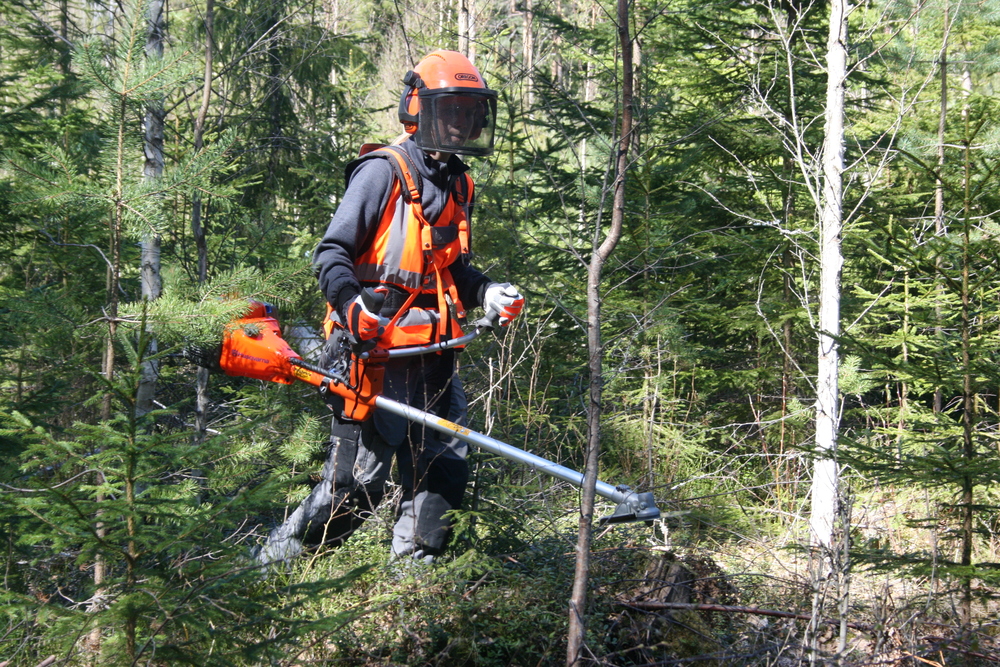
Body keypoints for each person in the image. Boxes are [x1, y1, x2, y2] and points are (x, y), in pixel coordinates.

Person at [257, 50, 524, 566]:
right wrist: (350, 303)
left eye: (470, 111)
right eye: (452, 109)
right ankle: (274, 564)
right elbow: (332, 252)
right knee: (358, 484)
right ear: (417, 106)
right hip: (373, 351)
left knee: (442, 467)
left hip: (436, 352)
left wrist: (486, 291)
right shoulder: (382, 172)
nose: (462, 121)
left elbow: (451, 270)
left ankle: (413, 582)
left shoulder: (458, 182)